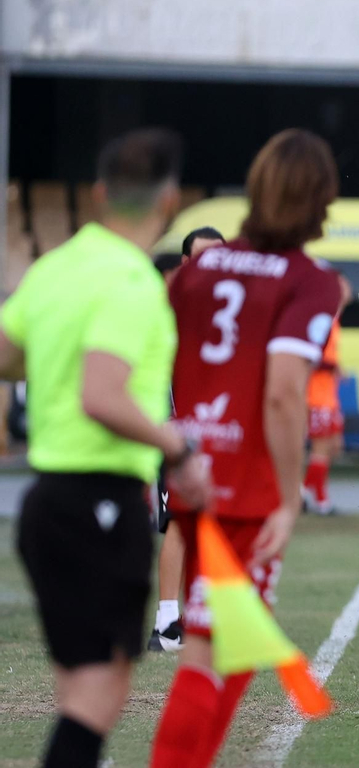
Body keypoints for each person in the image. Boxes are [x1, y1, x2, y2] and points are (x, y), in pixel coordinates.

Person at [6, 129, 209, 768]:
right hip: (100, 501)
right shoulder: (132, 281)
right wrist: (177, 447)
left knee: (82, 686)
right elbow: (103, 394)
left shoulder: (56, 267)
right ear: (170, 200)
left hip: (46, 503)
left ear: (99, 193)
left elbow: (9, 356)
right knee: (98, 691)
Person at [150, 129, 343, 768]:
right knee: (217, 649)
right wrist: (288, 501)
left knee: (221, 644)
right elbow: (285, 394)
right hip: (249, 492)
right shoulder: (309, 281)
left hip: (196, 475)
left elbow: (162, 358)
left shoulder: (199, 269)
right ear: (319, 200)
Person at [149, 225, 227, 654]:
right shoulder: (170, 306)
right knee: (178, 522)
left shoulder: (230, 305)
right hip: (179, 433)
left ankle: (207, 613)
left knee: (220, 520)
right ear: (185, 263)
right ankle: (167, 624)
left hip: (222, 434)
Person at [304, 271, 352, 515]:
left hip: (328, 396)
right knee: (321, 449)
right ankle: (319, 500)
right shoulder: (322, 320)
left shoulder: (333, 320)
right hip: (317, 396)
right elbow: (311, 357)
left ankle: (303, 492)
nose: (347, 291)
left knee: (334, 446)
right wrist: (333, 367)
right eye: (342, 286)